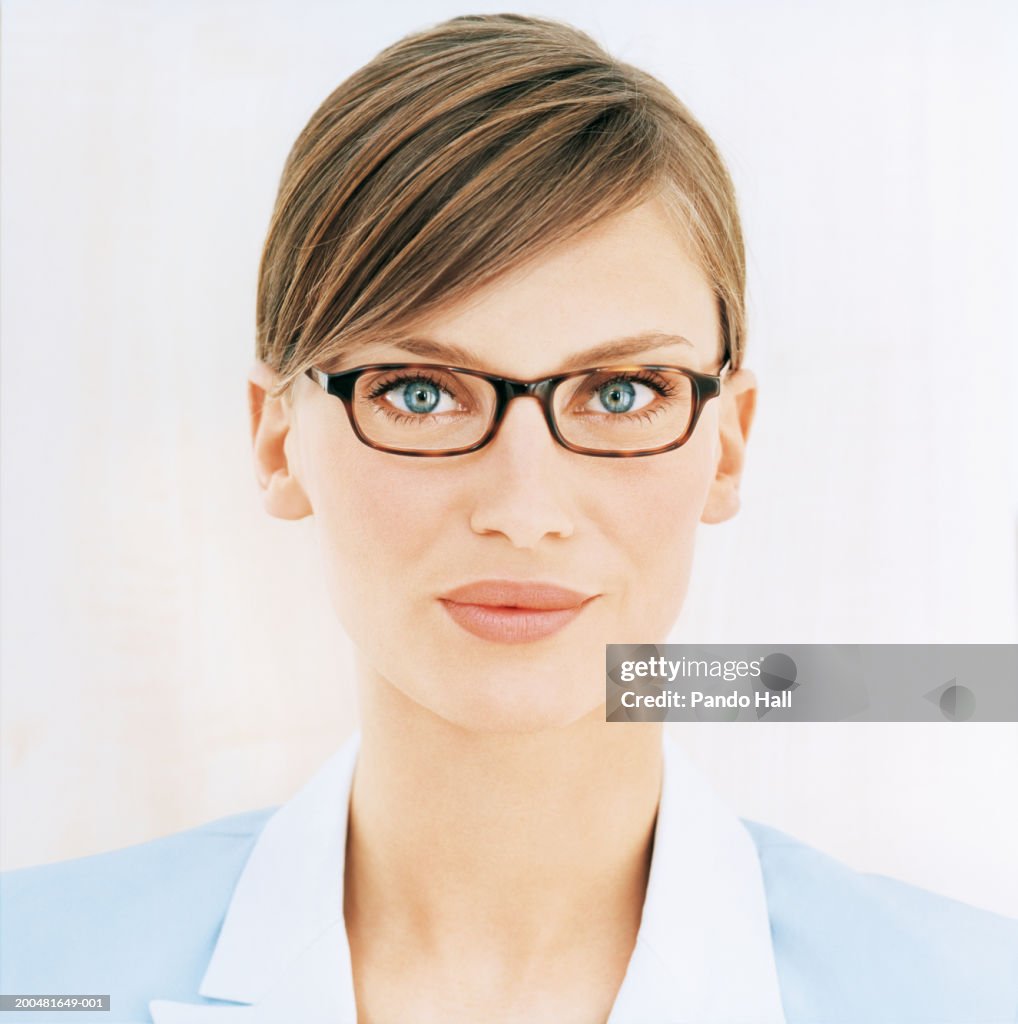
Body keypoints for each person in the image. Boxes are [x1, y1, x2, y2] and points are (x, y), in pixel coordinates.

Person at [3, 13, 1017, 1024]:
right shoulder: (34, 974)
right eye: (418, 391)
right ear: (277, 441)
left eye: (620, 392)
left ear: (729, 441)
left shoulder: (971, 997)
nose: (523, 511)